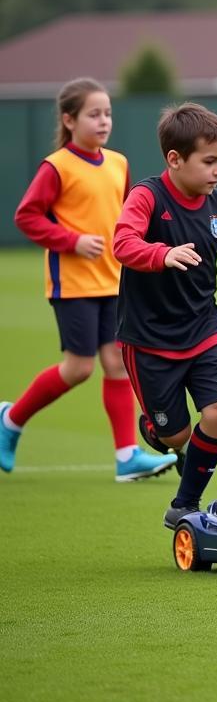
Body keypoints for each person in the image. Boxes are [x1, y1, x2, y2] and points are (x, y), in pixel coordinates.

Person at [0, 78, 176, 482]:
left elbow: (134, 217)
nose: (103, 121)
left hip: (114, 282)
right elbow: (27, 216)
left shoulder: (118, 163)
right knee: (79, 368)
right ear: (69, 119)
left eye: (108, 113)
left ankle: (127, 455)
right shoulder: (57, 166)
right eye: (94, 114)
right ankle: (11, 419)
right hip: (73, 284)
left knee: (116, 364)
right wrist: (72, 240)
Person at [113, 102, 217, 528]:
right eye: (209, 161)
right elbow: (122, 244)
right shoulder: (147, 196)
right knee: (175, 437)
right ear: (175, 160)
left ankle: (184, 503)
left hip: (203, 332)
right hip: (147, 339)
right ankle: (156, 428)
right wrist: (162, 255)